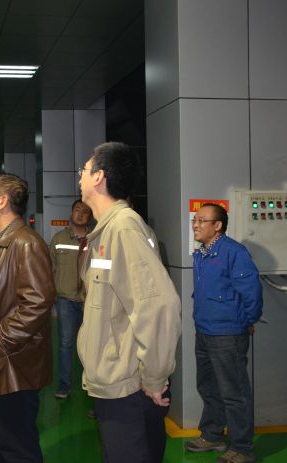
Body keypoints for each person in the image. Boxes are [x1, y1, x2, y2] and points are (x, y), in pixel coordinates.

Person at [76, 141, 182, 463]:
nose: (80, 176)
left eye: (84, 170)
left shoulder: (123, 228)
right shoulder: (107, 230)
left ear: (99, 177)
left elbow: (158, 306)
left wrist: (155, 379)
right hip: (115, 382)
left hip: (128, 387)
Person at [0, 174, 55, 463]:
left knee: (17, 449)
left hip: (13, 368)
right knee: (1, 442)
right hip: (0, 366)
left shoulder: (25, 243)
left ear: (3, 201)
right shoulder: (0, 244)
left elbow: (37, 303)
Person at [184, 203, 263, 463]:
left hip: (227, 334)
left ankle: (242, 448)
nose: (195, 225)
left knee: (234, 393)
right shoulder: (201, 253)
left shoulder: (234, 252)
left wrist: (246, 320)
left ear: (217, 226)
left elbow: (251, 292)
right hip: (204, 331)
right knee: (208, 387)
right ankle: (212, 434)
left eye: (201, 221)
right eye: (195, 220)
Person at [49, 199, 93, 399]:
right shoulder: (58, 239)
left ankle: (91, 384)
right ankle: (64, 384)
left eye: (85, 211)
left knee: (90, 343)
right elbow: (50, 269)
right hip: (65, 299)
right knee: (66, 342)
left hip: (89, 300)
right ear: (71, 213)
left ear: (90, 216)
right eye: (77, 210)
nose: (81, 214)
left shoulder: (95, 239)